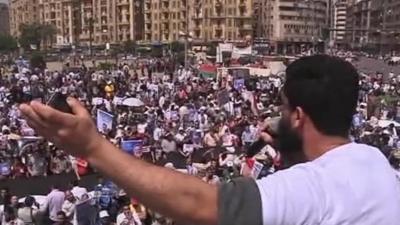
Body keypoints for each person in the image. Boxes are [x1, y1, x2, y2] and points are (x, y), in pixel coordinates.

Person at [19, 55, 400, 225]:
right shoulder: (376, 164)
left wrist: (92, 148)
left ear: (298, 116)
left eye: (283, 110)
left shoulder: (314, 188)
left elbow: (199, 203)